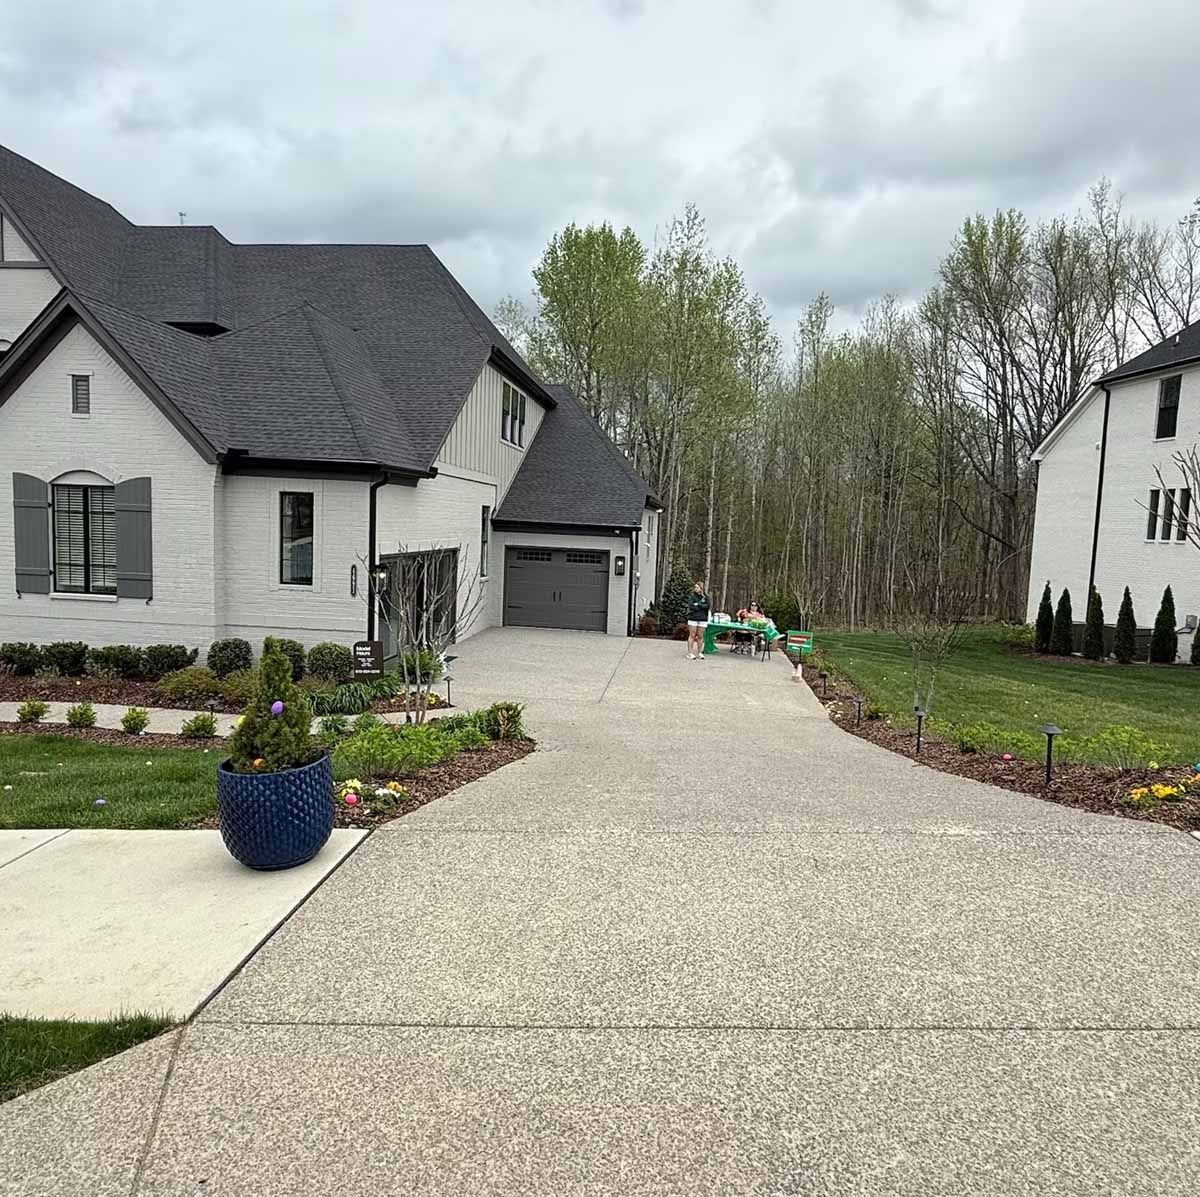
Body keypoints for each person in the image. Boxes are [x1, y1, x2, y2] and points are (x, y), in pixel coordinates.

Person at [686, 581, 710, 660]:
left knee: (700, 636)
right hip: (693, 618)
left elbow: (707, 606)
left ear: (701, 588)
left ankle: (700, 652)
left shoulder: (706, 597)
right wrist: (699, 606)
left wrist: (699, 605)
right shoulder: (692, 597)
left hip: (703, 619)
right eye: (695, 587)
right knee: (692, 635)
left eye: (697, 587)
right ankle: (689, 653)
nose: (695, 589)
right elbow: (692, 606)